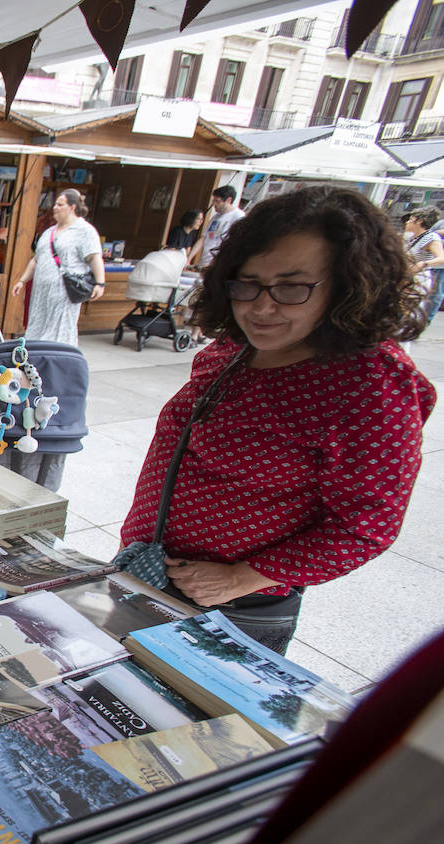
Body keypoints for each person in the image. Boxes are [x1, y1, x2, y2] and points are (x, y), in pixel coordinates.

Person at [118, 186, 435, 655]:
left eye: (292, 287)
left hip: (227, 606)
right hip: (148, 570)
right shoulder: (238, 346)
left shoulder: (370, 383)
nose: (262, 307)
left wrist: (240, 579)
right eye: (247, 284)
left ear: (349, 284)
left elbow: (366, 526)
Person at [9, 189, 104, 347]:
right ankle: (34, 358)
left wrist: (100, 283)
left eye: (60, 204)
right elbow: (36, 260)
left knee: (60, 331)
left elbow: (94, 257)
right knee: (37, 328)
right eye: (55, 204)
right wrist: (22, 280)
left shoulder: (84, 231)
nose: (55, 207)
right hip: (41, 294)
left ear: (72, 207)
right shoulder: (49, 233)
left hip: (63, 292)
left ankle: (56, 362)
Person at [191, 185, 245, 270]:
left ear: (228, 200)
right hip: (204, 262)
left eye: (217, 201)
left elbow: (237, 242)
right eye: (213, 201)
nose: (214, 204)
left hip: (219, 265)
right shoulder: (215, 217)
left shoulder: (238, 216)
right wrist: (189, 258)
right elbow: (204, 238)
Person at [403, 208, 444, 311]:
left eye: (411, 219)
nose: (407, 222)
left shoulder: (431, 237)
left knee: (409, 310)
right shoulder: (411, 237)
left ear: (420, 221)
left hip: (419, 279)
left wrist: (423, 264)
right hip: (406, 277)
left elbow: (442, 258)